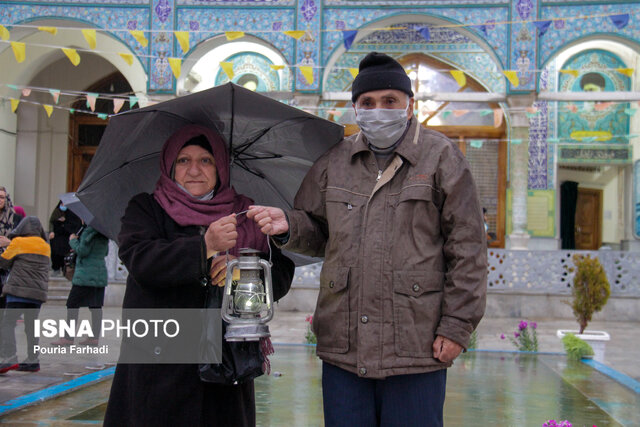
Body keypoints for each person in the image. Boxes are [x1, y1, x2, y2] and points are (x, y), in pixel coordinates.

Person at [248, 52, 487, 426]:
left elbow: (468, 248)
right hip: (345, 345)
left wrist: (457, 326)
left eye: (389, 101)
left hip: (416, 344)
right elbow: (320, 232)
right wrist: (290, 226)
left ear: (410, 105)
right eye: (368, 103)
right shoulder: (335, 160)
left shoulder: (441, 157)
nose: (379, 110)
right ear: (355, 108)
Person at [103, 124, 294, 426]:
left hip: (226, 366)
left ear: (220, 167)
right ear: (169, 166)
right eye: (183, 160)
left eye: (206, 160)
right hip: (159, 364)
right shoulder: (146, 209)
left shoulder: (247, 214)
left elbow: (280, 276)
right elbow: (142, 261)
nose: (194, 169)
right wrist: (204, 247)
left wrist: (242, 273)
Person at [0, 216, 50, 373]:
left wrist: (8, 245)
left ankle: (9, 358)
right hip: (37, 295)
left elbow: (3, 263)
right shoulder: (45, 245)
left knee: (7, 324)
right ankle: (33, 360)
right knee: (31, 327)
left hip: (18, 292)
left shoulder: (18, 242)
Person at [50, 224, 108, 347]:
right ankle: (94, 338)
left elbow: (83, 251)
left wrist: (73, 241)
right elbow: (105, 252)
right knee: (96, 306)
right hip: (99, 274)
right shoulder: (104, 233)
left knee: (72, 304)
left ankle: (68, 338)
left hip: (85, 275)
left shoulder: (88, 232)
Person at [0, 186, 24, 308]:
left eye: (2, 197)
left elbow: (24, 242)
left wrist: (9, 243)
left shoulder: (16, 219)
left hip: (8, 265)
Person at [48, 200, 82, 276]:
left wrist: (65, 222)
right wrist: (53, 230)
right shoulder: (57, 212)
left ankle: (65, 270)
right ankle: (56, 268)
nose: (63, 206)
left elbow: (75, 224)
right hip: (57, 237)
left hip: (67, 237)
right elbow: (52, 222)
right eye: (62, 204)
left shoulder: (73, 214)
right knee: (56, 253)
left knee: (66, 254)